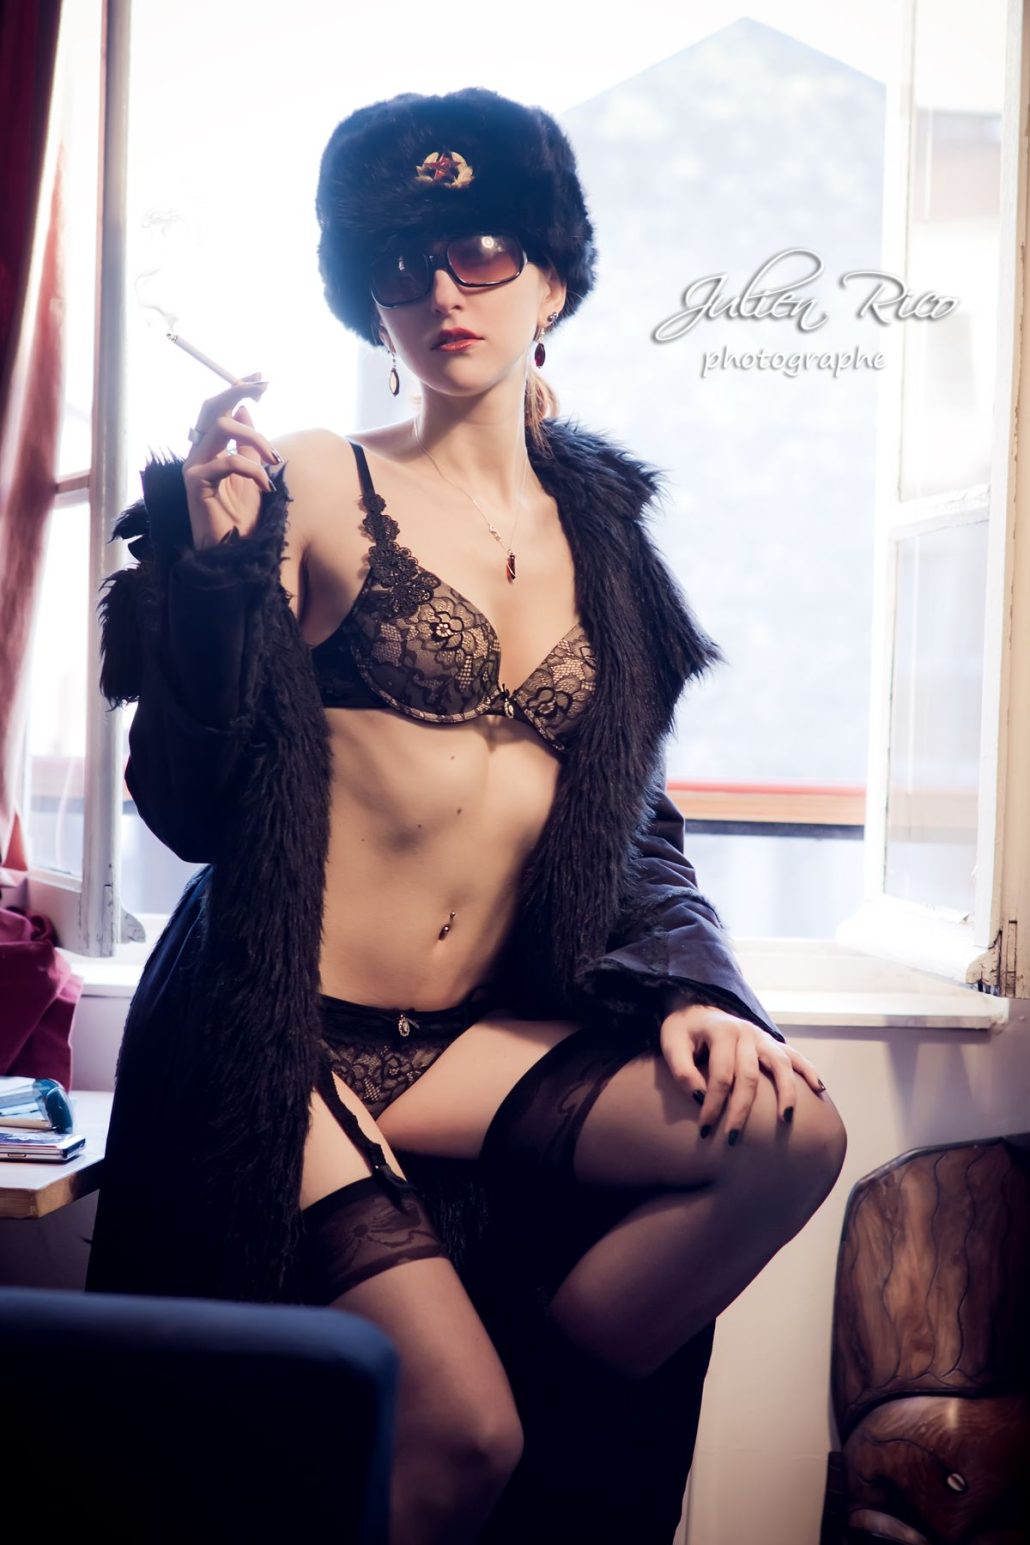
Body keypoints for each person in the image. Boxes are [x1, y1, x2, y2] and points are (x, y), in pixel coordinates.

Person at [87, 87, 847, 1545]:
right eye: (401, 263)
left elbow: (632, 820)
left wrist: (702, 991)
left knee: (788, 1141)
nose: (443, 291)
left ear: (553, 278)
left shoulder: (607, 542)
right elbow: (189, 803)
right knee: (459, 1428)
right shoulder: (321, 475)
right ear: (364, 297)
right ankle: (493, 1435)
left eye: (484, 251)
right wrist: (210, 572)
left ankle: (547, 1440)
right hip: (280, 1029)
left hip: (461, 1048)